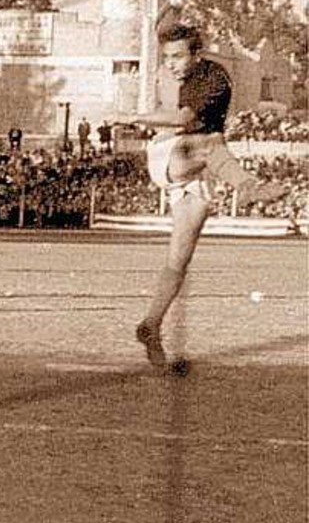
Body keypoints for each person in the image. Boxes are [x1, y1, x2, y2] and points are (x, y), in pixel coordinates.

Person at [115, 22, 287, 367]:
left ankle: (151, 325)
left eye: (178, 56)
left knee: (178, 260)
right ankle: (248, 187)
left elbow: (181, 118)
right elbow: (179, 127)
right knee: (211, 143)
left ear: (198, 54)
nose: (172, 64)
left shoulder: (213, 78)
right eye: (167, 57)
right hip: (171, 156)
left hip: (196, 167)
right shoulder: (171, 76)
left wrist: (132, 116)